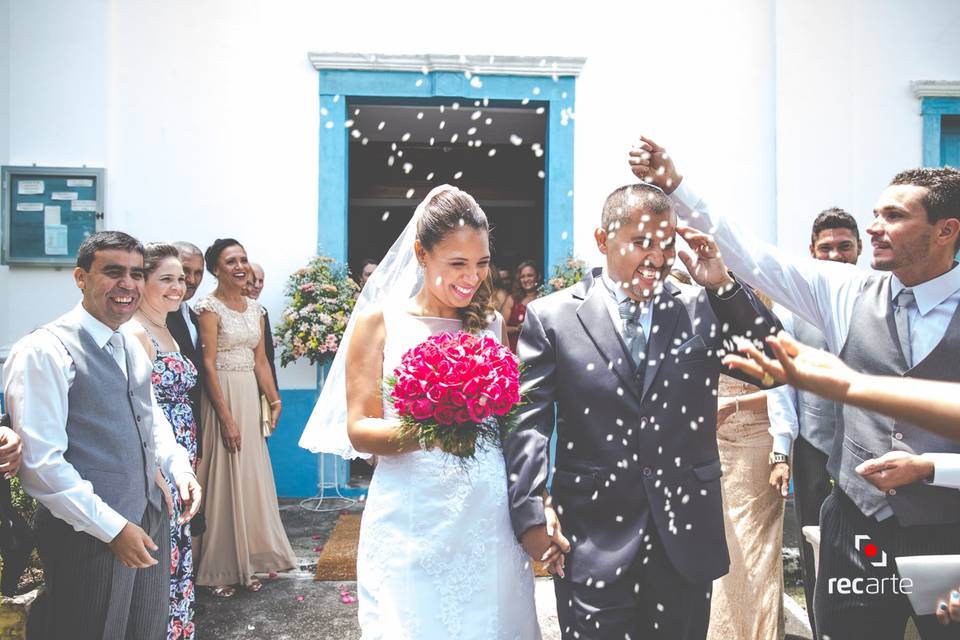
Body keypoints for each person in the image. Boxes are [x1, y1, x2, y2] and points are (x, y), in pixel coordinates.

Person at [633, 137, 960, 639]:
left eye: (894, 216)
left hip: (946, 534)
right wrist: (676, 186)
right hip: (856, 525)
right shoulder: (845, 290)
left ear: (946, 230)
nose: (874, 227)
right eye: (874, 213)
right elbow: (755, 257)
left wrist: (932, 468)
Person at [506, 182, 782, 639]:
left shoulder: (703, 307)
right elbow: (526, 423)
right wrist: (533, 508)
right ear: (602, 240)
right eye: (641, 242)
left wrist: (722, 284)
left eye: (667, 242)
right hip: (592, 536)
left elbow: (773, 369)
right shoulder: (551, 317)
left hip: (684, 538)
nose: (657, 256)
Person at [299, 185, 541, 638]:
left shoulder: (490, 321)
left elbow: (508, 420)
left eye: (482, 263)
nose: (472, 277)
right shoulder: (380, 322)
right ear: (421, 253)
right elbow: (360, 429)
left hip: (486, 511)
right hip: (412, 512)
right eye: (458, 264)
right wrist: (435, 425)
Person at [2, 231, 200, 639]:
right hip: (88, 532)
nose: (127, 284)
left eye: (136, 273)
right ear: (81, 277)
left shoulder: (129, 342)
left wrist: (178, 467)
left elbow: (150, 417)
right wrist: (112, 528)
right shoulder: (44, 350)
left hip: (148, 518)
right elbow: (41, 465)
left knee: (143, 630)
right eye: (112, 272)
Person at [765, 206, 863, 636]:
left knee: (869, 543)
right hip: (813, 446)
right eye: (827, 248)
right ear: (812, 251)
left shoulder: (881, 297)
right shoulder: (792, 309)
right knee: (813, 537)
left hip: (870, 445)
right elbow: (780, 383)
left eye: (845, 247)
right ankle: (824, 625)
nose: (837, 255)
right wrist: (780, 450)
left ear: (859, 249)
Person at [193, 238, 297, 597]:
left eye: (243, 259)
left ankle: (249, 561)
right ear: (216, 269)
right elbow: (206, 365)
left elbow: (261, 361)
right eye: (231, 261)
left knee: (250, 478)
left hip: (249, 397)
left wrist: (274, 398)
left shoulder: (257, 310)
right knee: (223, 480)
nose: (240, 266)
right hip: (221, 396)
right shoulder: (207, 307)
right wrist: (226, 419)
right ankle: (219, 568)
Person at [130, 243, 199, 640]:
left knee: (178, 545)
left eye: (182, 278)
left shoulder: (168, 327)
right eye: (167, 279)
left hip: (181, 452)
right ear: (142, 282)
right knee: (162, 550)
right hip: (157, 455)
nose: (179, 287)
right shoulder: (137, 332)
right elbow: (142, 408)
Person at [708, 289, 785, 640]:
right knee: (725, 540)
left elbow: (786, 392)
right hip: (719, 440)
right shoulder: (708, 316)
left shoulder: (769, 322)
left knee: (756, 543)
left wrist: (733, 406)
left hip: (758, 438)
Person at [167, 241, 205, 456]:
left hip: (190, 425)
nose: (191, 280)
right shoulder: (155, 317)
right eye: (185, 272)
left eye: (198, 273)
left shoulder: (193, 316)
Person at [244, 262, 279, 391]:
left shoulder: (261, 311)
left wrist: (273, 390)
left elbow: (267, 356)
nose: (257, 285)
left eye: (261, 281)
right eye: (253, 281)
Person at [501, 260, 541, 352]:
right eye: (522, 276)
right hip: (516, 349)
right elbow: (501, 327)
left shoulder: (543, 297)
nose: (526, 279)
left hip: (537, 348)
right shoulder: (512, 299)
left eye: (530, 275)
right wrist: (517, 328)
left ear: (538, 276)